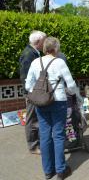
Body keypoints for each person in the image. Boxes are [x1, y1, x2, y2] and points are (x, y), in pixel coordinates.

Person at [25, 37, 77, 180]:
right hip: (58, 101)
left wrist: (39, 94)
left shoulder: (36, 62)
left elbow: (28, 85)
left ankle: (48, 171)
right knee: (59, 135)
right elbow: (71, 84)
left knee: (45, 135)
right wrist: (71, 93)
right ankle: (61, 170)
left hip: (40, 103)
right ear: (56, 48)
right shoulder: (59, 62)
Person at [19, 30, 46, 154]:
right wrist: (31, 94)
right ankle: (33, 146)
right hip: (32, 93)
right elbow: (25, 77)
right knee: (31, 119)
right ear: (38, 41)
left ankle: (38, 143)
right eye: (44, 40)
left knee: (37, 118)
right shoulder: (28, 54)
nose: (45, 43)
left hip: (36, 92)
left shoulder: (34, 53)